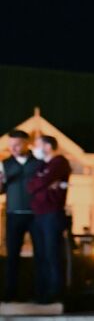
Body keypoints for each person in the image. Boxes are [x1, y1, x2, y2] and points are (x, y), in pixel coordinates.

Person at [26, 135, 70, 306]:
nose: (34, 148)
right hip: (39, 215)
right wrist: (47, 185)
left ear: (48, 146)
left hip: (52, 214)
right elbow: (31, 186)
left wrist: (45, 185)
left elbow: (41, 181)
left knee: (52, 253)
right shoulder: (42, 165)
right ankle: (41, 291)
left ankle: (56, 292)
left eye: (37, 144)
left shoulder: (59, 162)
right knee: (41, 255)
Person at [1, 130, 41, 303]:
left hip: (36, 215)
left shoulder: (38, 163)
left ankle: (40, 293)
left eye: (17, 145)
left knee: (41, 255)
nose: (14, 149)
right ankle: (11, 294)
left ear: (27, 143)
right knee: (12, 256)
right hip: (13, 214)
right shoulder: (5, 164)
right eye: (11, 146)